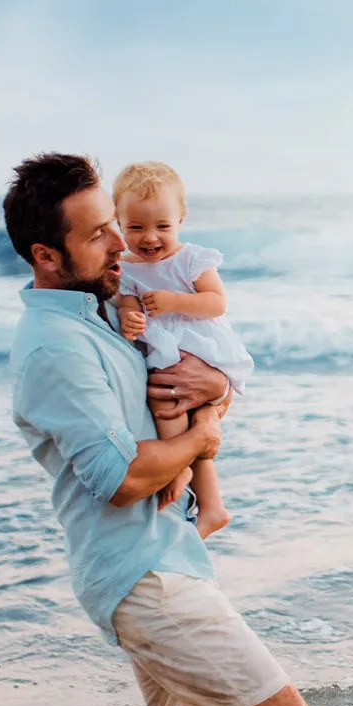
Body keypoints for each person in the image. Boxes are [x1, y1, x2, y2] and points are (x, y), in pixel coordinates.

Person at [3, 153, 308, 706]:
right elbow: (120, 480)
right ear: (47, 255)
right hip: (139, 571)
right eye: (98, 234)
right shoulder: (56, 348)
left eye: (116, 225)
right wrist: (203, 439)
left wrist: (215, 391)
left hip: (159, 556)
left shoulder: (104, 314)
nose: (119, 245)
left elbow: (183, 378)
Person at [112, 161, 253, 538]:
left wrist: (174, 301)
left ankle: (193, 481)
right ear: (118, 221)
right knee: (171, 409)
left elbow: (216, 302)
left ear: (181, 218)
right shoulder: (125, 268)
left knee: (177, 405)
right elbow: (126, 302)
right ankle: (207, 500)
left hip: (199, 344)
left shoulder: (191, 258)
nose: (150, 237)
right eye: (136, 227)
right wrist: (130, 317)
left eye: (163, 226)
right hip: (163, 346)